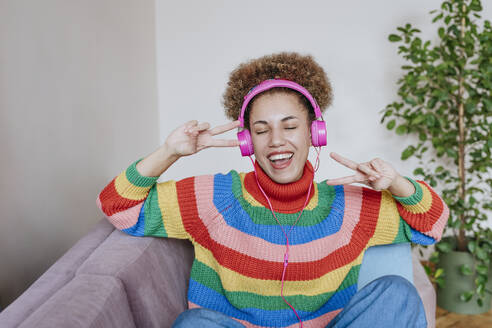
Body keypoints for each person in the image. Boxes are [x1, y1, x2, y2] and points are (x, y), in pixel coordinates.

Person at [97, 52, 449, 328]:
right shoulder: (216, 199)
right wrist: (169, 152)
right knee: (195, 323)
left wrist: (398, 184)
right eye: (261, 129)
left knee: (397, 293)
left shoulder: (348, 206)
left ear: (314, 132)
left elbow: (431, 225)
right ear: (247, 141)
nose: (277, 141)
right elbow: (117, 206)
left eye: (290, 126)